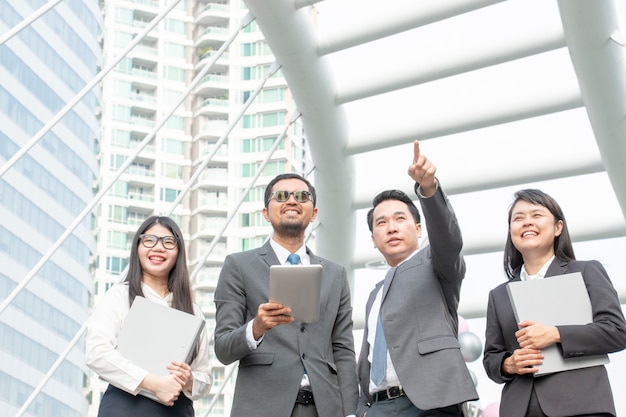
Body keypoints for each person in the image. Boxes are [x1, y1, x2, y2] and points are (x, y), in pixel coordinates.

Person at [214, 173, 358, 417]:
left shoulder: (335, 274)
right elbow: (223, 348)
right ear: (265, 212)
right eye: (281, 196)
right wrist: (256, 328)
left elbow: (343, 350)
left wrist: (351, 412)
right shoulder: (238, 266)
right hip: (262, 407)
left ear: (313, 213)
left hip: (325, 408)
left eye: (302, 196)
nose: (292, 200)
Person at [357, 140, 478, 417]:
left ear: (419, 228)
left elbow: (448, 239)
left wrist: (429, 189)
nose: (391, 228)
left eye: (400, 218)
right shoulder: (375, 294)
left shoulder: (437, 264)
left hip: (430, 405)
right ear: (374, 240)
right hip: (377, 407)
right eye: (381, 223)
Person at [483, 189, 626, 417]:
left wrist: (556, 334)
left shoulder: (586, 271)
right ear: (511, 231)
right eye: (518, 218)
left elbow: (617, 332)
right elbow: (491, 358)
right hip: (520, 410)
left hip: (581, 407)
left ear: (558, 227)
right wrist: (509, 364)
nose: (527, 222)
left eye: (536, 215)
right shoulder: (499, 294)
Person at [86, 216, 213, 417]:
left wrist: (189, 380)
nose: (158, 248)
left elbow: (204, 378)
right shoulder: (120, 296)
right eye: (149, 240)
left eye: (168, 242)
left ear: (179, 252)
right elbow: (97, 353)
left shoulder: (192, 311)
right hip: (124, 409)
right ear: (137, 247)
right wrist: (152, 383)